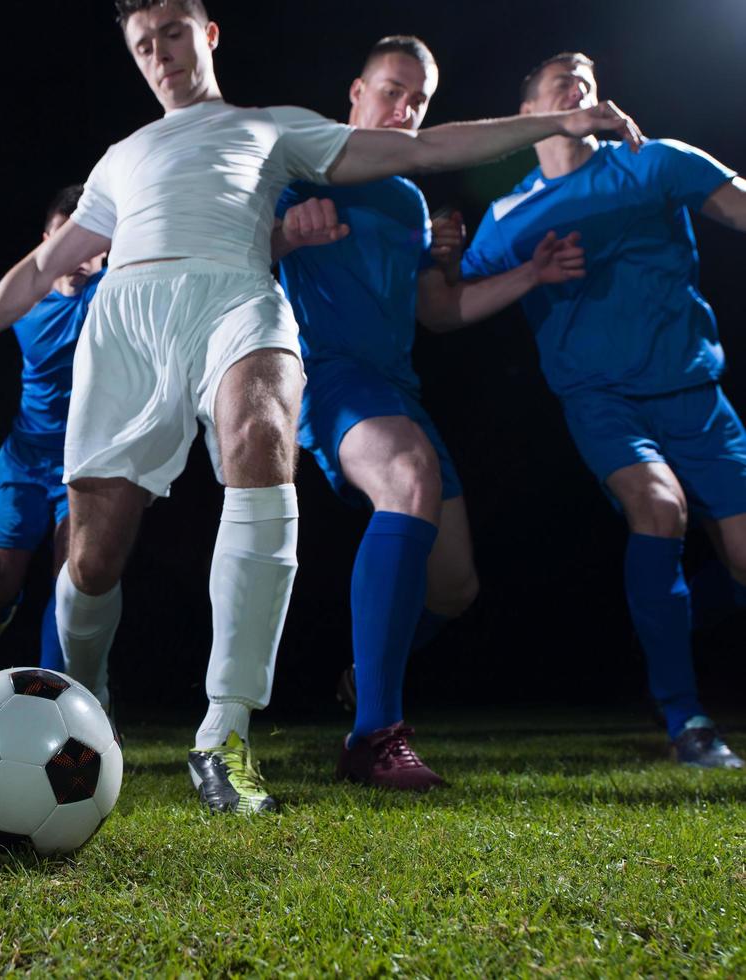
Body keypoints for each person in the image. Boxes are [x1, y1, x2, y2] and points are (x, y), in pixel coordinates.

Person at [0, 0, 643, 813]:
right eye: (144, 44)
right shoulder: (122, 157)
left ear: (207, 35)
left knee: (261, 429)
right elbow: (41, 267)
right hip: (130, 320)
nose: (161, 54)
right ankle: (86, 696)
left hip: (237, 298)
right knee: (93, 558)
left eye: (174, 34)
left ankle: (224, 735)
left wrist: (557, 121)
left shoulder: (273, 127)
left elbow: (423, 145)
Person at [274, 36, 588, 789]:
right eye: (391, 91)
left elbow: (438, 312)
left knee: (452, 589)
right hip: (329, 379)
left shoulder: (407, 194)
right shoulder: (299, 168)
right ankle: (373, 737)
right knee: (406, 477)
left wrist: (530, 272)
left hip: (397, 388)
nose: (403, 109)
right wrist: (284, 235)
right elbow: (226, 254)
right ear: (354, 91)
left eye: (416, 100)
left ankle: (365, 674)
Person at [460, 52, 746, 769]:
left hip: (694, 393)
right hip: (602, 401)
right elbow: (445, 307)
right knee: (658, 509)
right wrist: (437, 255)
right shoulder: (506, 216)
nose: (576, 88)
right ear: (525, 116)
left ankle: (674, 647)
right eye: (558, 81)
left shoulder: (655, 162)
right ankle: (685, 719)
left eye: (583, 81)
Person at [0, 186, 107, 671]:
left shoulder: (116, 293)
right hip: (23, 460)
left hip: (85, 465)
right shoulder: (26, 298)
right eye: (64, 240)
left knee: (70, 585)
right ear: (45, 244)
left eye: (87, 241)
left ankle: (54, 695)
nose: (76, 254)